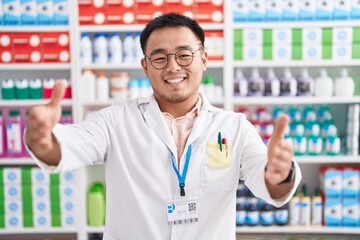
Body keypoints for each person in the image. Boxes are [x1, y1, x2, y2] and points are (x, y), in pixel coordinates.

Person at [25, 13, 301, 240]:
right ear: (145, 67)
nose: (172, 67)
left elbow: (270, 186)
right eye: (159, 58)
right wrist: (43, 140)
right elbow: (72, 144)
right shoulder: (116, 118)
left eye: (184, 55)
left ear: (204, 60)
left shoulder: (234, 126)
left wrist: (280, 174)